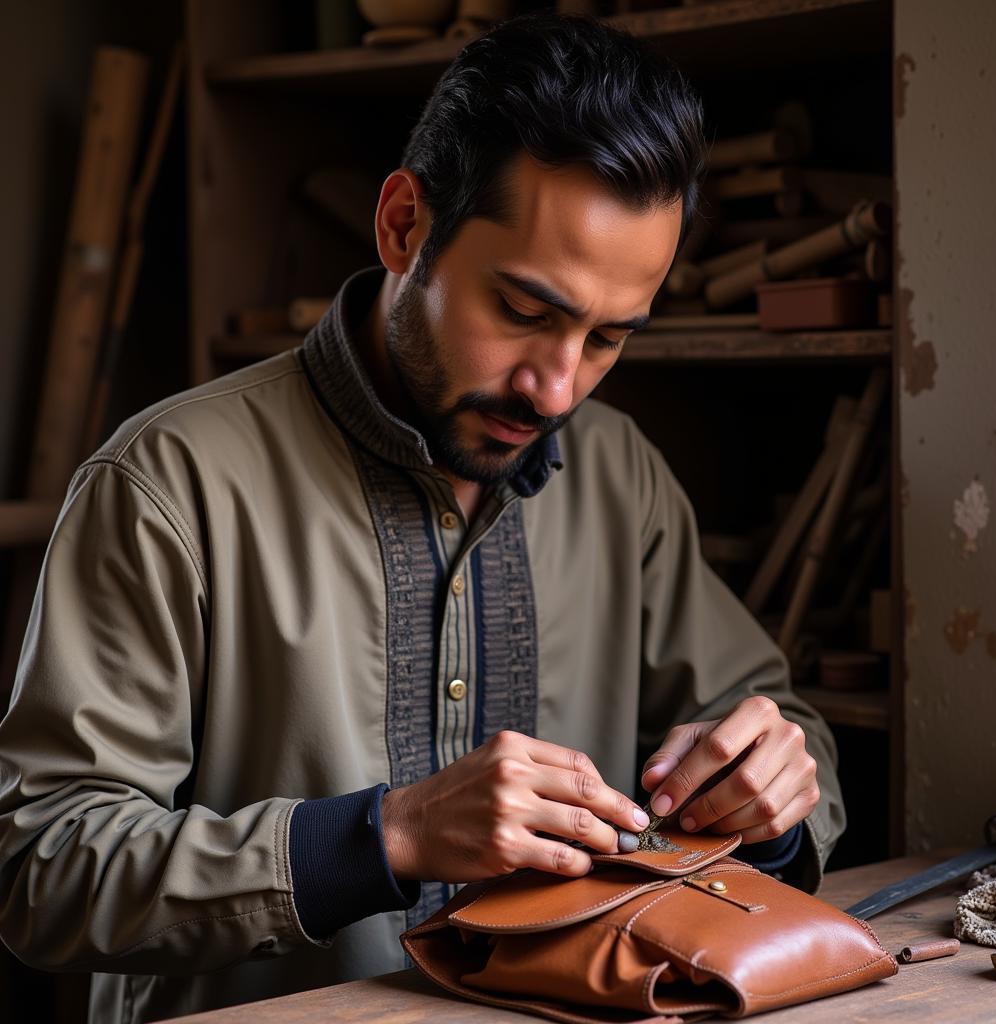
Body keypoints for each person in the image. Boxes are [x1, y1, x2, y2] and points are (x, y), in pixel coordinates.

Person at [0, 11, 843, 1024]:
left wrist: (771, 801)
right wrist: (383, 836)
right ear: (404, 225)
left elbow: (791, 743)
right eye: (525, 311)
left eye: (609, 336)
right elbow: (40, 869)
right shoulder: (164, 486)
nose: (557, 387)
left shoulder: (621, 478)